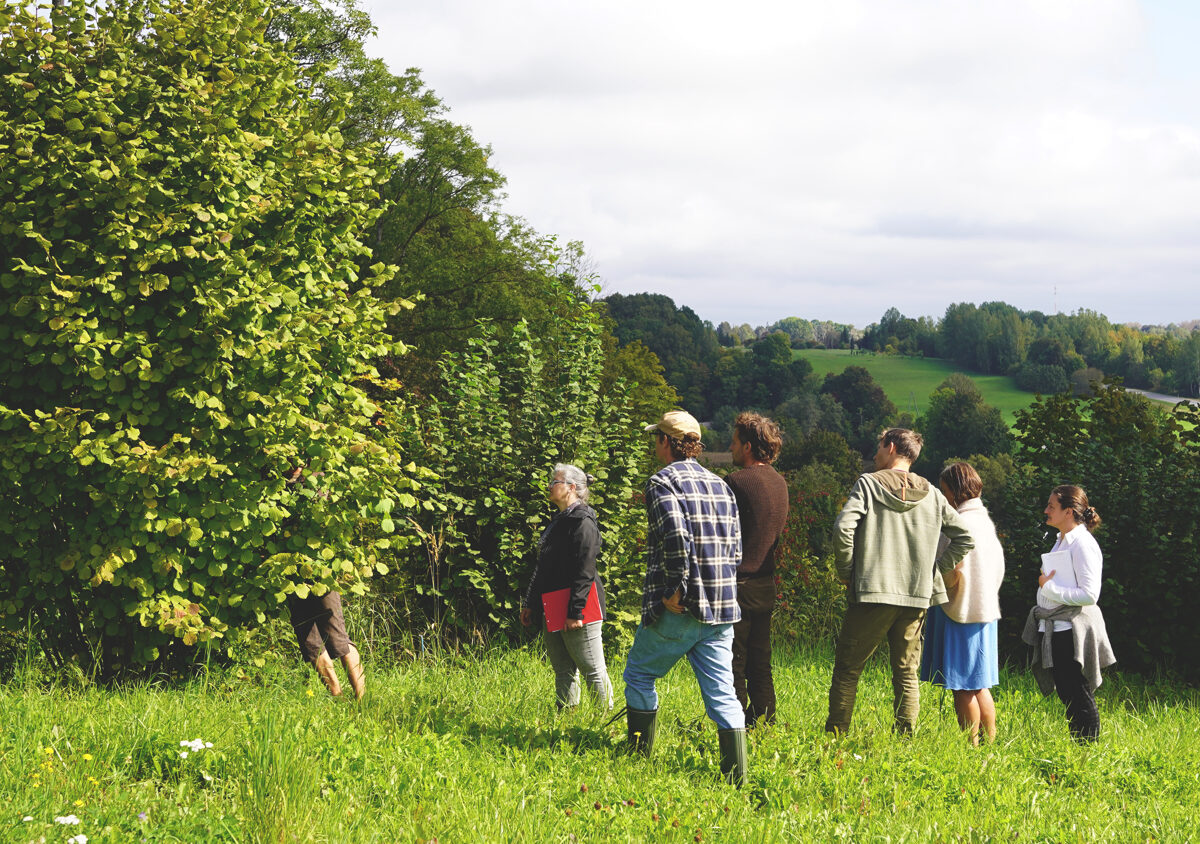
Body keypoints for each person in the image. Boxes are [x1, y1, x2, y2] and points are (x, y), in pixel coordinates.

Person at [622, 410, 747, 785]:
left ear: (665, 442)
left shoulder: (662, 483)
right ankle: (736, 778)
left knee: (640, 674)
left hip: (681, 605)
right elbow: (736, 548)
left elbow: (676, 539)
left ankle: (638, 757)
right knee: (723, 695)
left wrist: (673, 590)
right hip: (723, 607)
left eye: (655, 438)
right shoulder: (721, 484)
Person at [826, 428, 974, 735]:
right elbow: (965, 537)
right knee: (907, 671)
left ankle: (836, 736)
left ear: (891, 447)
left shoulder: (868, 484)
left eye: (879, 447)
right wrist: (935, 569)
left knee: (848, 669)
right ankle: (905, 738)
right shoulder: (933, 493)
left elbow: (843, 530)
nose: (876, 454)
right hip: (916, 594)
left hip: (872, 591)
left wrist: (847, 571)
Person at [1021, 485, 1115, 742]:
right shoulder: (1061, 540)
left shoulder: (1083, 544)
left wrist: (1048, 588)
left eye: (1052, 506)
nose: (1046, 510)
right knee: (1067, 690)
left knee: (1077, 691)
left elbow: (1089, 594)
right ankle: (1080, 746)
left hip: (1071, 629)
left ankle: (1086, 751)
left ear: (1069, 511)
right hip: (1058, 628)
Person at [919, 462, 1004, 744]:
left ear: (955, 492)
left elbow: (947, 569)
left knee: (962, 688)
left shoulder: (958, 522)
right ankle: (989, 744)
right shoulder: (986, 522)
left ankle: (972, 746)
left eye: (945, 491)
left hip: (959, 611)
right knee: (979, 684)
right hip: (985, 611)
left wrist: (942, 586)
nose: (943, 497)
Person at [520, 464, 612, 710]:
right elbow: (545, 566)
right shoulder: (560, 521)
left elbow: (585, 570)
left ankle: (606, 722)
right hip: (553, 603)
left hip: (581, 605)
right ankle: (565, 721)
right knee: (562, 670)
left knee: (592, 669)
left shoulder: (583, 521)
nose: (550, 486)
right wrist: (531, 603)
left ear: (571, 488)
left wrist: (575, 612)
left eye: (555, 481)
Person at [726, 412, 789, 726]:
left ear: (748, 446)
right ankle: (765, 721)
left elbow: (724, 533)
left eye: (735, 442)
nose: (732, 448)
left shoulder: (738, 482)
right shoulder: (779, 482)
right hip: (766, 582)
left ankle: (734, 723)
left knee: (733, 661)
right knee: (760, 662)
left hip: (739, 583)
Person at [285, 466, 365, 700]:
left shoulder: (315, 480)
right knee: (310, 642)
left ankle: (361, 700)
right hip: (291, 572)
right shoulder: (276, 486)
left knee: (337, 638)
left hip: (321, 570)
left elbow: (320, 523)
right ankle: (337, 697)